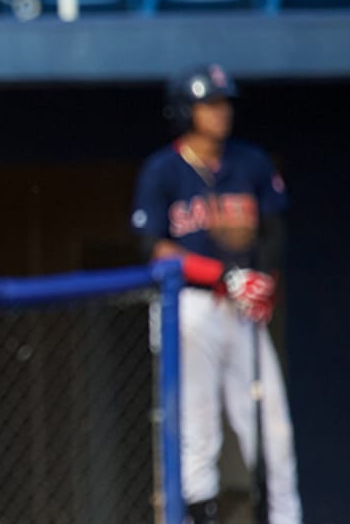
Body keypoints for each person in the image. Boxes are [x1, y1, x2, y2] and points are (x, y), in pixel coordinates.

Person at [129, 64, 301, 524]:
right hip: (189, 306)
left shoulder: (251, 162)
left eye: (225, 103)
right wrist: (224, 276)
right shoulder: (163, 169)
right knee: (197, 429)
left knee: (272, 430)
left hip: (243, 306)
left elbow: (273, 228)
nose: (221, 112)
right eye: (210, 104)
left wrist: (264, 279)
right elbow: (154, 247)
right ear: (186, 111)